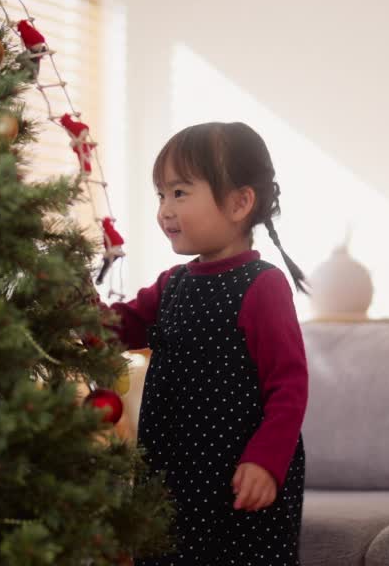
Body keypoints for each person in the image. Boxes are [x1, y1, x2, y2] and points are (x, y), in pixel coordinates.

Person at [111, 122, 310, 565]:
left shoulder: (262, 286)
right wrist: (76, 310)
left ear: (239, 202)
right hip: (170, 472)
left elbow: (289, 387)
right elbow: (117, 328)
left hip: (237, 478)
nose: (164, 210)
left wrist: (266, 460)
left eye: (180, 193)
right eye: (160, 195)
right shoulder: (173, 284)